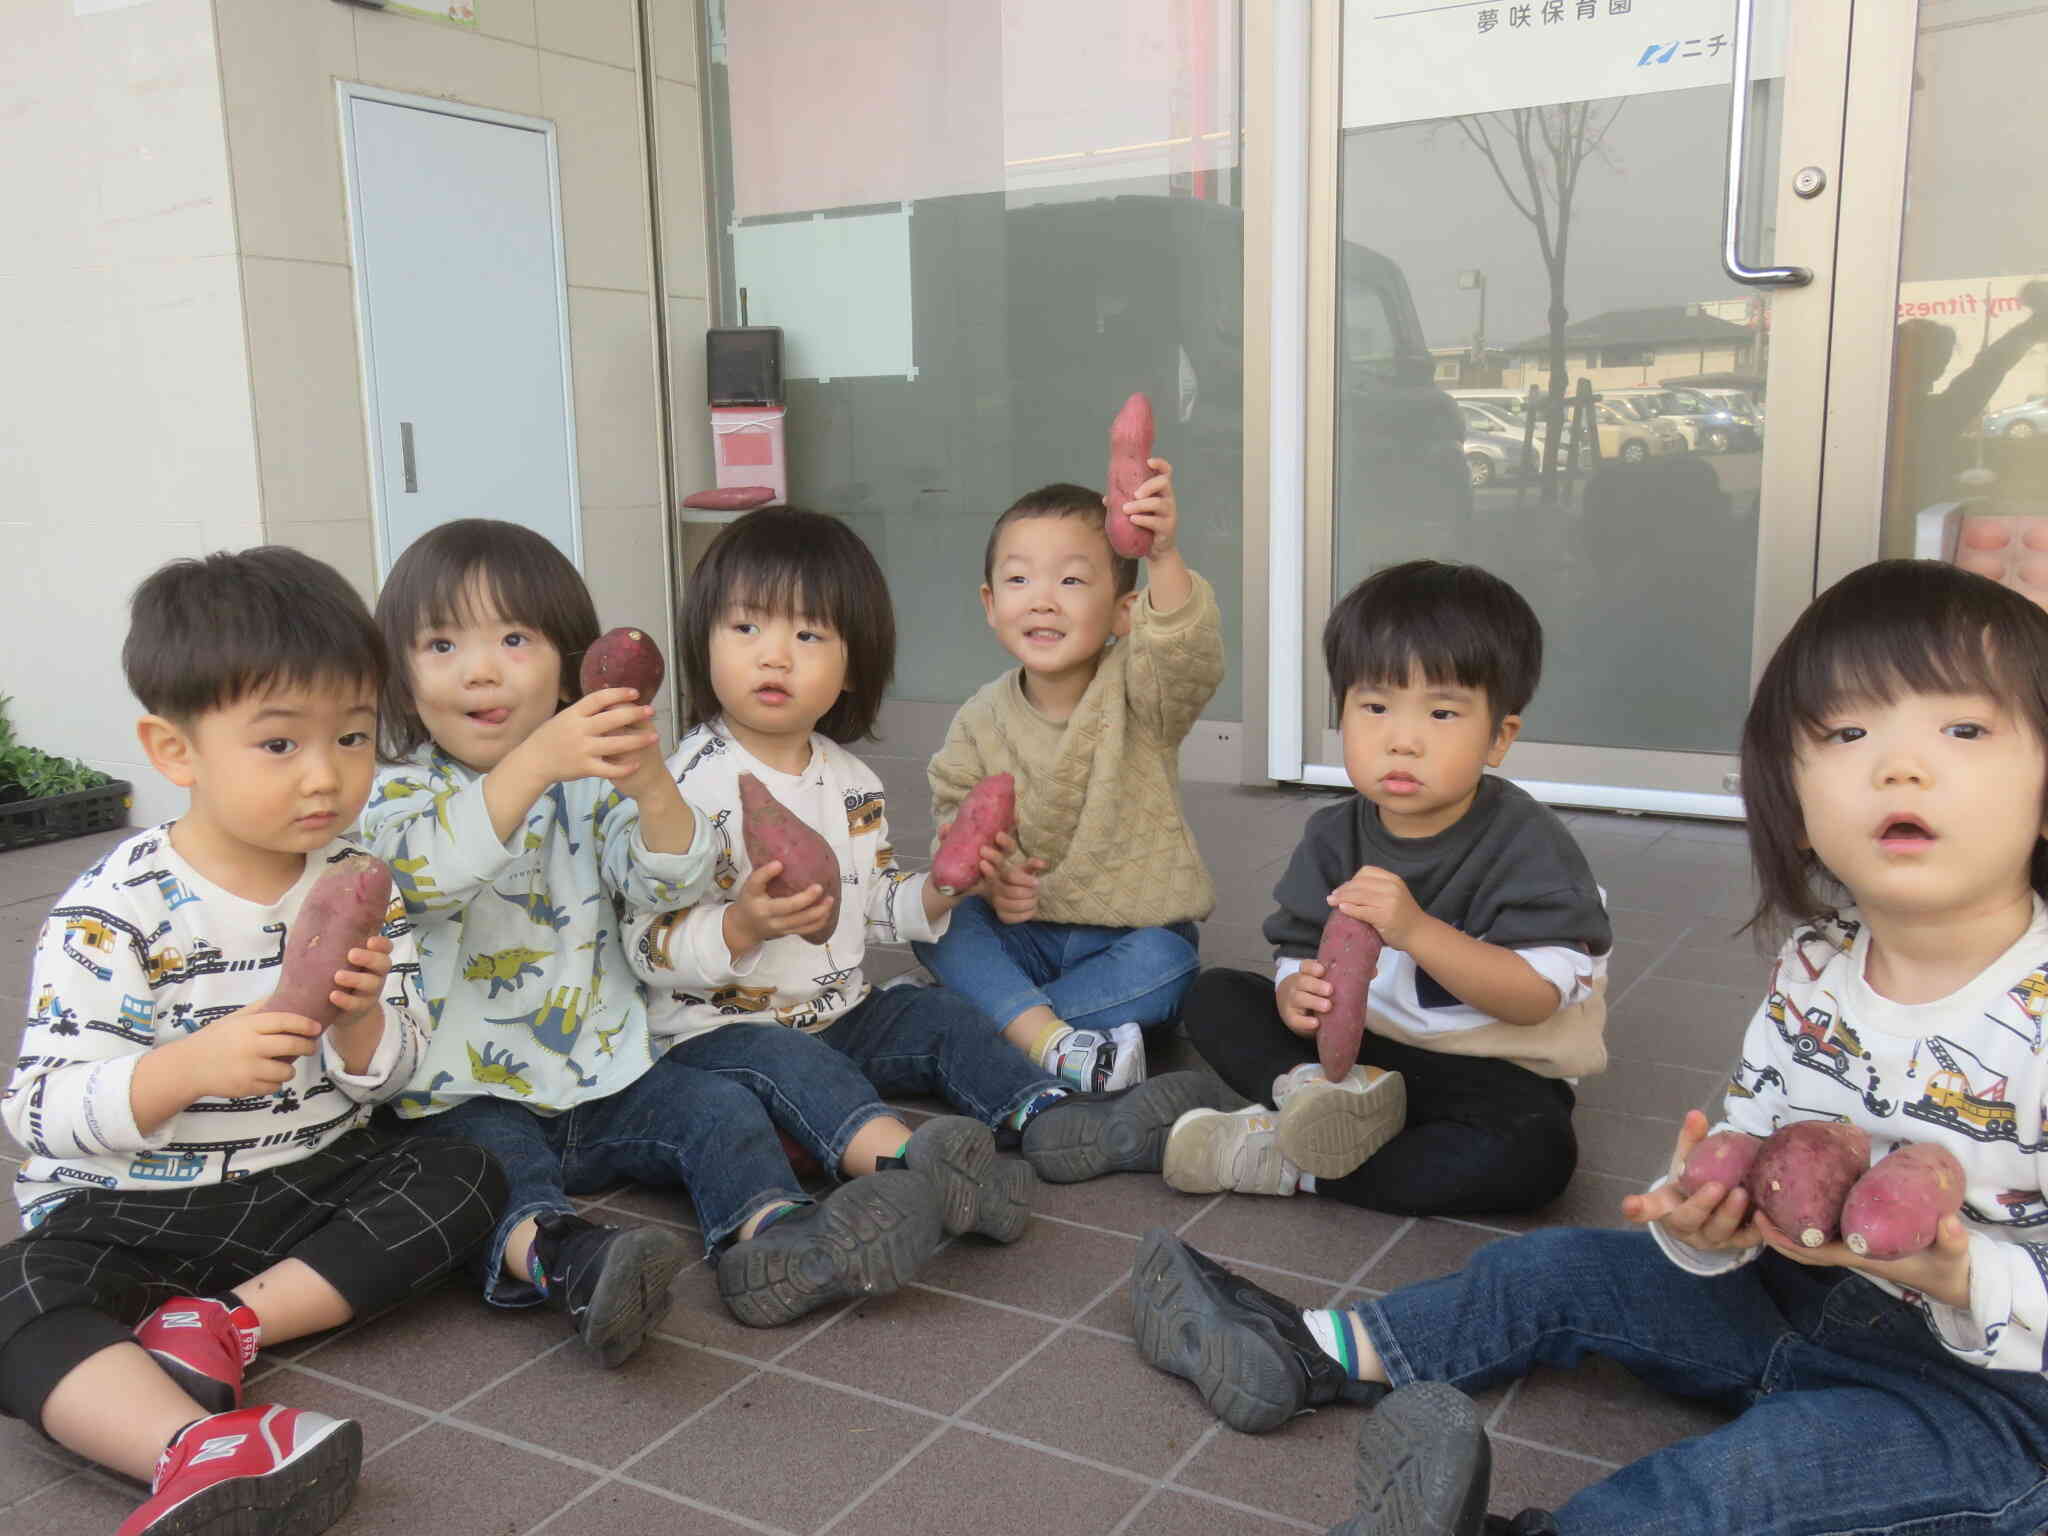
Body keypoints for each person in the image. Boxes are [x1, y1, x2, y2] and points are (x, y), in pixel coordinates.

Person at [1131, 558, 2048, 1535]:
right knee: (1552, 1273)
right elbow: (1750, 1135)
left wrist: (1962, 1278)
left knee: (1730, 1489)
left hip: (1983, 1397)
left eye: (1960, 730)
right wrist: (1699, 1216)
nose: (1898, 766)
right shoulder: (1816, 966)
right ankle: (1316, 1348)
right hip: (1790, 1294)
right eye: (1850, 733)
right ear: (1793, 798)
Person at [0, 548, 505, 1536]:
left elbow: (389, 1077)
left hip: (309, 1175)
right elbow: (38, 1116)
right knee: (14, 1292)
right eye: (279, 744)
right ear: (174, 749)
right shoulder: (116, 910)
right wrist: (185, 1068)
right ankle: (194, 1446)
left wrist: (363, 1021)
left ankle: (224, 1326)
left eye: (354, 736)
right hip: (130, 1205)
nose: (327, 775)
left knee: (463, 1171)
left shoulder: (359, 881)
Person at [360, 521, 939, 1361]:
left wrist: (649, 786)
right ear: (402, 681)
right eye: (443, 643)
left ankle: (771, 1242)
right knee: (489, 1174)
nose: (481, 669)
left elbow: (667, 881)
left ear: (568, 665)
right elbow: (428, 873)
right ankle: (570, 1262)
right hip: (465, 1092)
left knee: (717, 1108)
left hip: (607, 1074)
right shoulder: (396, 795)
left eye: (514, 639)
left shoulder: (591, 787)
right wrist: (534, 765)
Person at [632, 506, 1234, 1256]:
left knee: (940, 1020)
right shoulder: (684, 785)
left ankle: (1049, 1113)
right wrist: (742, 927)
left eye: (809, 634)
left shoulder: (850, 780)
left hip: (839, 1008)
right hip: (722, 1032)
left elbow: (878, 905)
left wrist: (945, 892)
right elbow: (645, 945)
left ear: (854, 663)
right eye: (747, 629)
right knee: (793, 1064)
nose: (775, 658)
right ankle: (914, 1169)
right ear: (703, 640)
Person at [1168, 560, 1610, 1216]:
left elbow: (1533, 1001)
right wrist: (1298, 991)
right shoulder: (1332, 835)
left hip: (1489, 1067)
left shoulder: (1531, 847)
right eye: (1374, 706)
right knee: (1212, 995)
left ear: (1499, 737)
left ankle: (1291, 1163)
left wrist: (1417, 931)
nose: (1402, 740)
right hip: (1356, 1058)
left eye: (1440, 712)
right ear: (1342, 713)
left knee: (1537, 1154)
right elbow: (1298, 944)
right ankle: (1310, 1095)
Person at [911, 467, 1225, 1091]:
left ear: (1124, 610)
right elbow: (956, 822)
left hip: (1126, 937)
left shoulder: (1143, 694)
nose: (1042, 598)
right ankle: (1055, 1040)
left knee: (1170, 964)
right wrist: (993, 882)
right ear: (990, 603)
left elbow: (1183, 658)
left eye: (1073, 579)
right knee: (935, 920)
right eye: (1019, 578)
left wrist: (1161, 555)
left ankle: (984, 1021)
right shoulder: (978, 719)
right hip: (1020, 932)